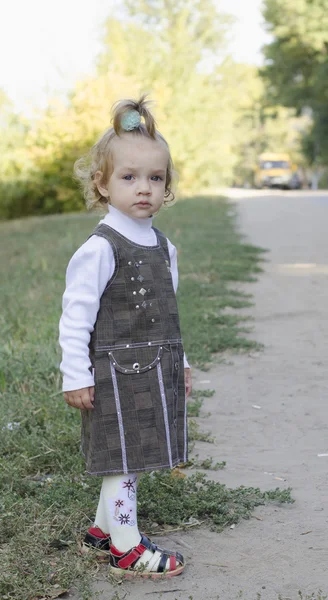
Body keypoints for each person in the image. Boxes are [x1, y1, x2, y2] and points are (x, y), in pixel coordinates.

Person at [59, 96, 192, 579]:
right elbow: (75, 317)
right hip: (114, 376)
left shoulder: (164, 247)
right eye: (129, 177)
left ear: (167, 186)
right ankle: (126, 547)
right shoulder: (100, 248)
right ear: (102, 183)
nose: (144, 189)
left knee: (130, 455)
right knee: (123, 458)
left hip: (154, 370)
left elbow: (168, 315)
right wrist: (74, 373)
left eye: (155, 179)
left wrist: (185, 363)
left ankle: (101, 531)